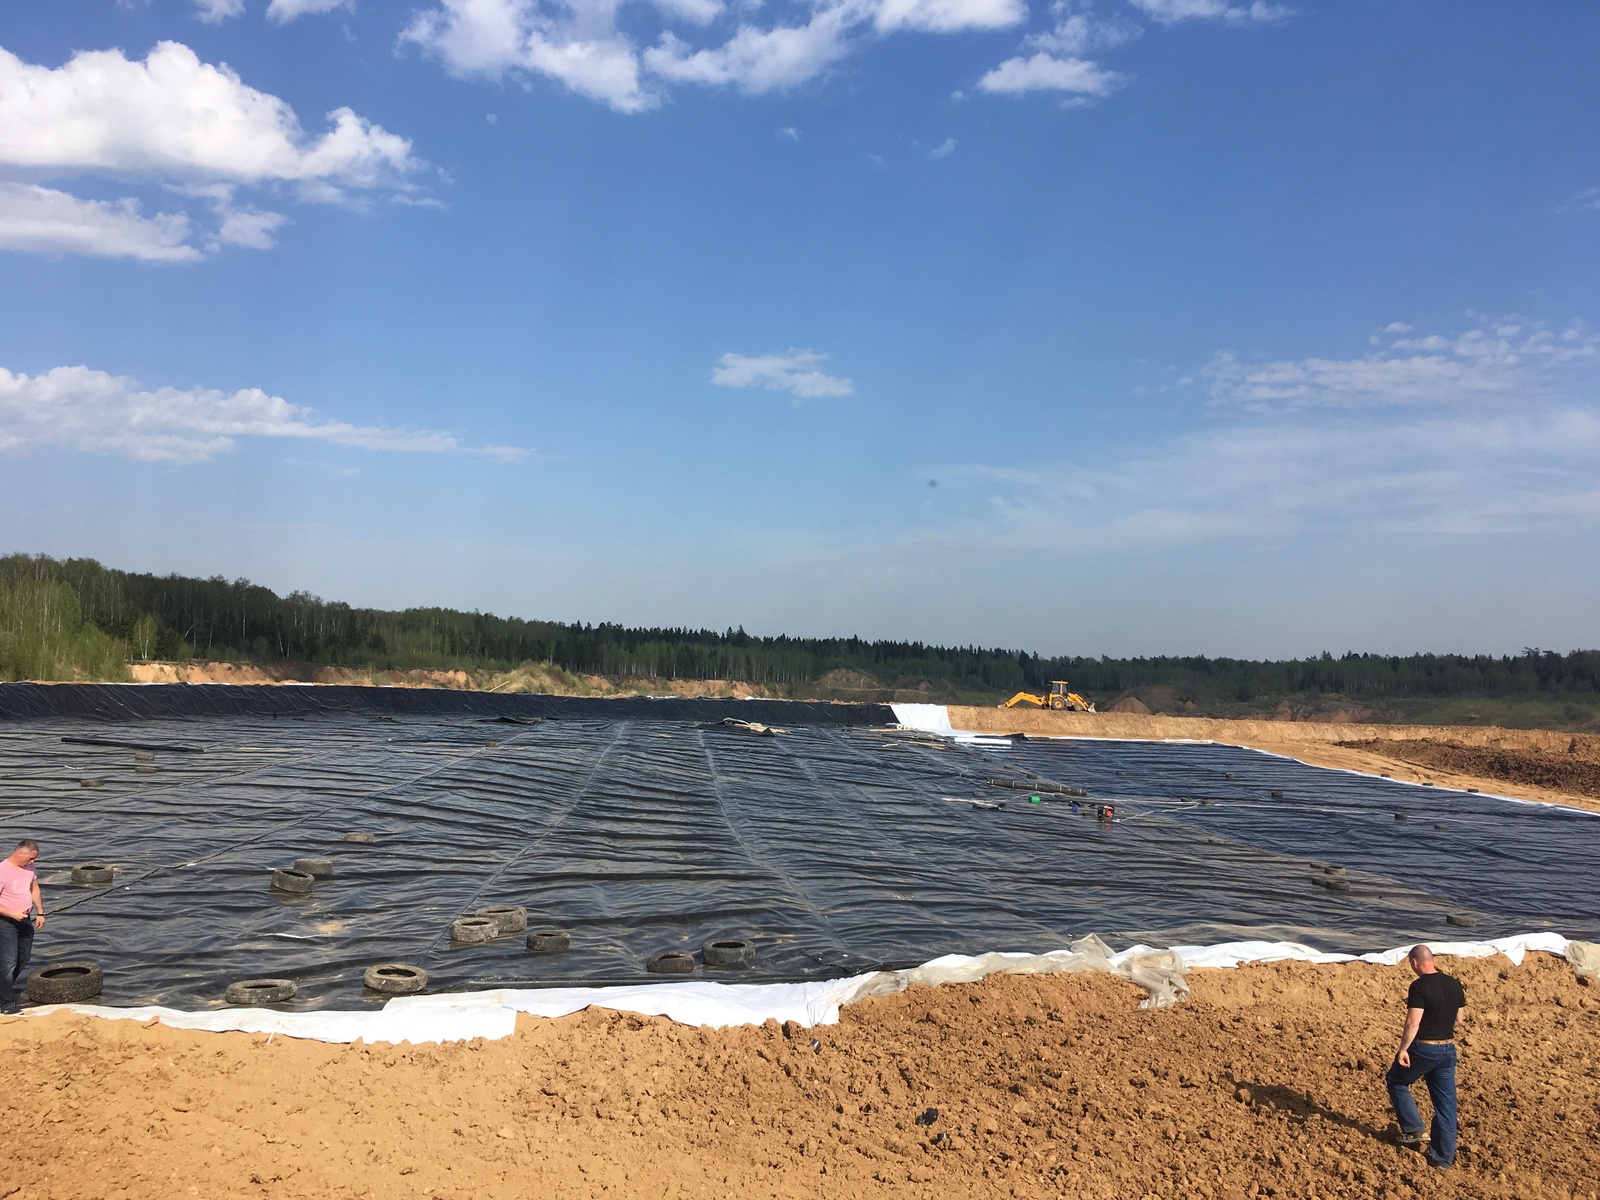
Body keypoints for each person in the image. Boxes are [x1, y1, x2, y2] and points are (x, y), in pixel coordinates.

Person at [1386, 944, 1466, 1168]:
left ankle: (1414, 1129)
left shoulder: (1419, 986)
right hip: (1448, 1050)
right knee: (1446, 1106)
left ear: (1414, 962)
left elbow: (1413, 1022)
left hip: (1425, 1048)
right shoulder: (1454, 984)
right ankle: (1443, 1159)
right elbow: (1459, 1019)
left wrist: (1403, 1049)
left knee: (1396, 1081)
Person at [0, 839, 45, 1014]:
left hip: (25, 919)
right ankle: (4, 1003)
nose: (33, 862)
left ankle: (3, 989)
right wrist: (12, 914)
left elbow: (34, 888)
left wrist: (40, 912)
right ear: (19, 853)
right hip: (6, 921)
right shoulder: (3, 871)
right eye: (31, 859)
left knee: (23, 958)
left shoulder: (29, 868)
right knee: (8, 962)